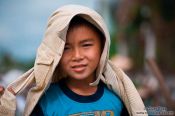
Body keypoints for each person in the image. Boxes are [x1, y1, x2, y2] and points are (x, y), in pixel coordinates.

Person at [0, 5, 147, 116]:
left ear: (102, 47)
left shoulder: (117, 100)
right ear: (54, 53)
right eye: (66, 48)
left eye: (86, 45)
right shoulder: (45, 103)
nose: (77, 56)